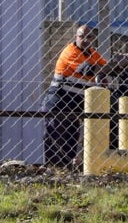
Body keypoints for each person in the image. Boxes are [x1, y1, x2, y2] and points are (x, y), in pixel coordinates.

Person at [41, 24, 113, 167]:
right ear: (76, 37)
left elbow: (107, 69)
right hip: (58, 103)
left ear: (94, 39)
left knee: (70, 142)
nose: (85, 40)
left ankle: (66, 170)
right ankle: (55, 172)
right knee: (56, 141)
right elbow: (88, 70)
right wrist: (113, 65)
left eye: (89, 37)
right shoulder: (71, 51)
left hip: (74, 105)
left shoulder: (92, 53)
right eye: (81, 36)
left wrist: (118, 65)